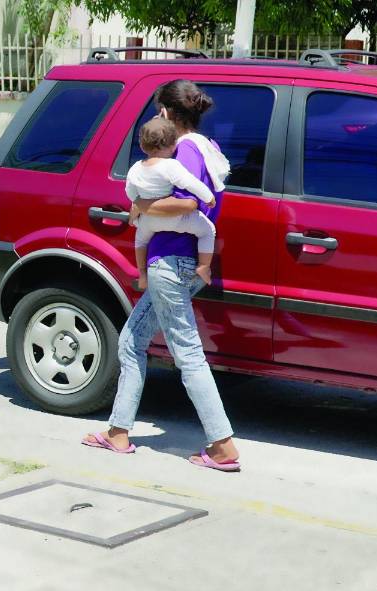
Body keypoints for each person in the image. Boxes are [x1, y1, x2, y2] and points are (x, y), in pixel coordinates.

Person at [82, 79, 242, 472]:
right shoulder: (207, 146)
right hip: (182, 262)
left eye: (158, 111)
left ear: (166, 112)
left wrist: (140, 206)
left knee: (187, 353)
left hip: (170, 262)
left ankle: (223, 446)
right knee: (131, 341)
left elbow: (188, 202)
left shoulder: (183, 150)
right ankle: (118, 432)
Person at [125, 116, 221, 293]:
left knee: (140, 241)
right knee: (208, 231)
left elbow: (131, 193)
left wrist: (138, 207)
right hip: (175, 218)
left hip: (149, 221)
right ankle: (203, 266)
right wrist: (208, 197)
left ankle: (143, 275)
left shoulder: (135, 168)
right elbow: (191, 183)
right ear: (173, 145)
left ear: (142, 146)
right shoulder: (171, 166)